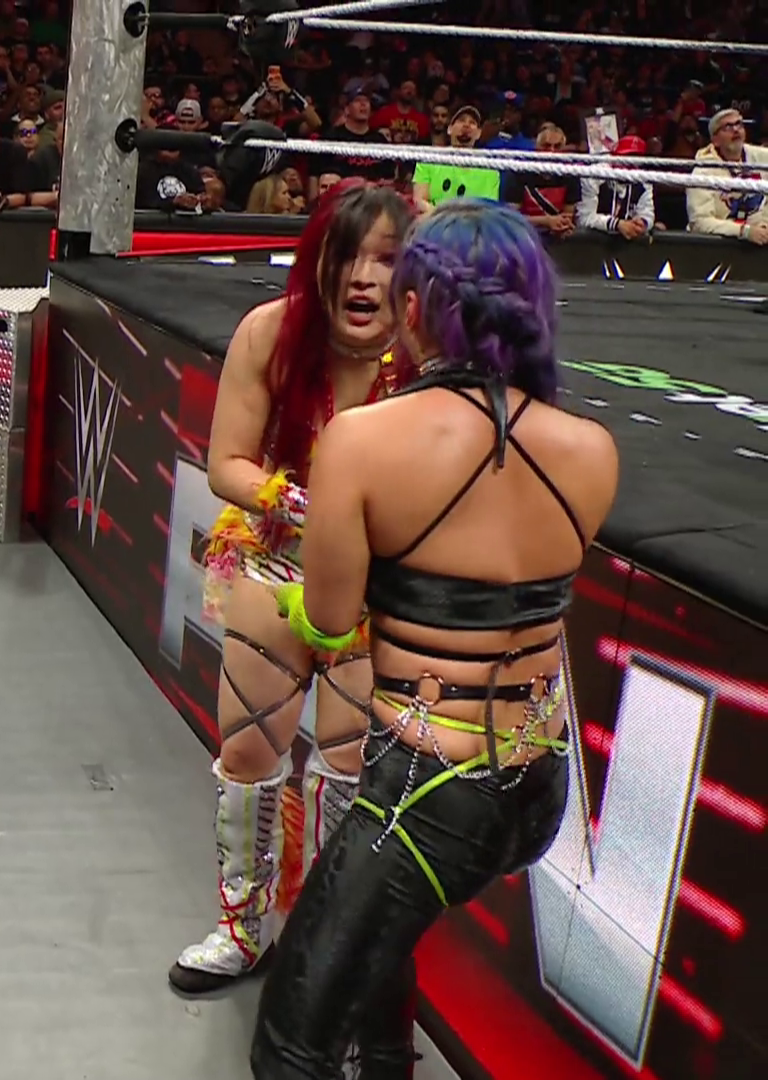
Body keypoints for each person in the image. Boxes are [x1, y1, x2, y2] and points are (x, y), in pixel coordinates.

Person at [250, 200, 618, 1077]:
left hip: (427, 788)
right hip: (540, 781)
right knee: (380, 940)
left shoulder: (365, 440)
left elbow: (329, 621)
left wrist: (283, 599)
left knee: (289, 1047)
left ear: (415, 309)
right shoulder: (591, 447)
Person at [170, 180, 417, 996]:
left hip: (380, 588)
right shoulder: (270, 333)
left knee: (347, 770)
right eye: (347, 256)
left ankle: (321, 944)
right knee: (246, 754)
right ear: (317, 262)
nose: (364, 278)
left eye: (386, 259)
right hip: (274, 567)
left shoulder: (429, 350)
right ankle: (243, 931)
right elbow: (227, 464)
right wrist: (306, 504)